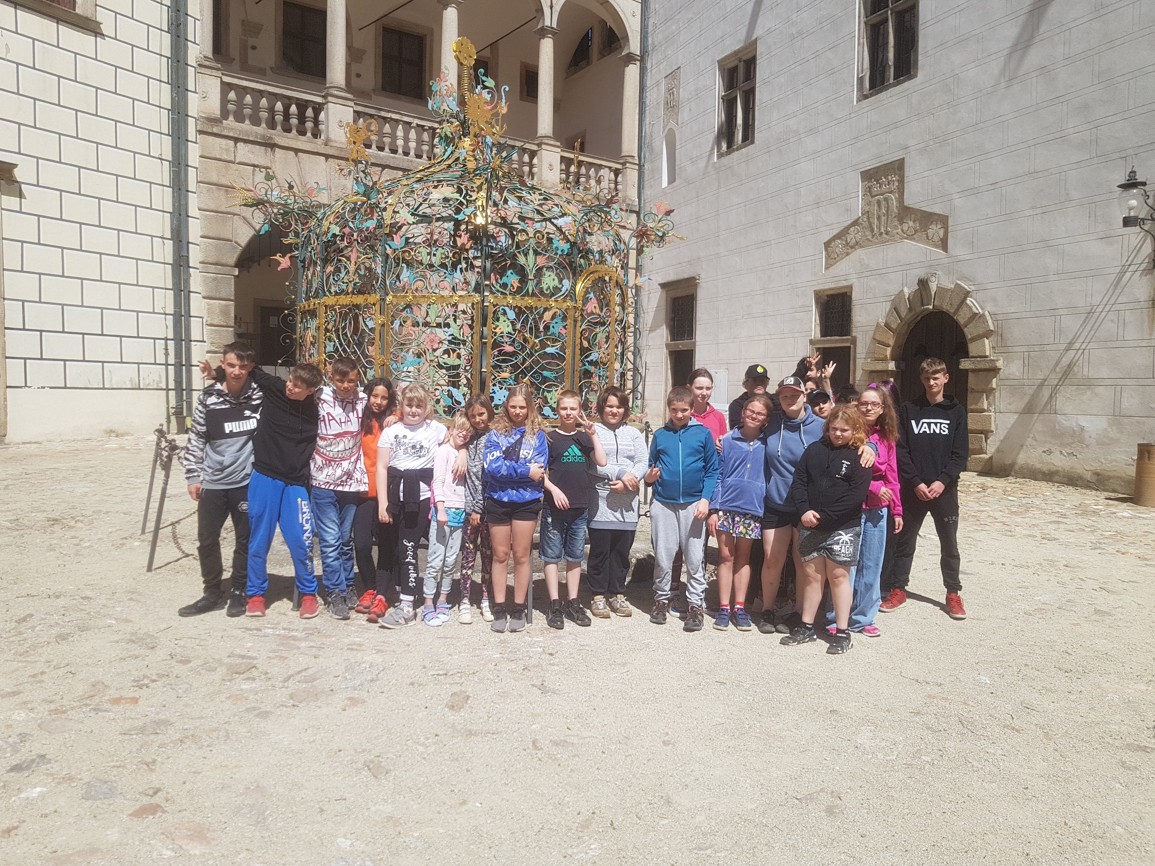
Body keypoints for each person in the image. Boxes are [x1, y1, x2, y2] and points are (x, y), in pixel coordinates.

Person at [199, 358, 324, 619]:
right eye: (291, 380)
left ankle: (308, 594)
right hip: (265, 476)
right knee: (258, 539)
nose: (290, 387)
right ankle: (255, 594)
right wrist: (216, 373)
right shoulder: (276, 388)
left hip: (295, 483)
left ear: (310, 390)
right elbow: (248, 370)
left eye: (297, 386)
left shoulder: (318, 408)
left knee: (301, 540)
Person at [180, 342, 262, 618]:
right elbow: (197, 437)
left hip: (246, 481)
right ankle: (212, 592)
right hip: (214, 481)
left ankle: (239, 590)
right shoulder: (208, 397)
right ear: (222, 365)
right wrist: (193, 475)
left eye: (243, 366)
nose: (237, 371)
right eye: (231, 365)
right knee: (206, 539)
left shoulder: (259, 395)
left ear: (251, 367)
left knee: (245, 540)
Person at [883, 357, 969, 620]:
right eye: (927, 378)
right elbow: (901, 450)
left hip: (944, 491)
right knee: (904, 542)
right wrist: (916, 482)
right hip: (914, 490)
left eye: (936, 377)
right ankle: (898, 588)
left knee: (949, 544)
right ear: (921, 379)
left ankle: (953, 593)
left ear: (945, 378)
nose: (932, 382)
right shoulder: (909, 410)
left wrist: (942, 481)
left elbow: (960, 454)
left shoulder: (956, 412)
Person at [782, 405, 872, 654]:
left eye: (844, 430)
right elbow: (799, 481)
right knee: (812, 576)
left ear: (854, 430)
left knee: (839, 577)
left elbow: (856, 495)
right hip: (810, 522)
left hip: (842, 527)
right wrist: (804, 510)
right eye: (834, 429)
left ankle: (842, 632)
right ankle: (807, 626)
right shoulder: (814, 450)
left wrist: (825, 516)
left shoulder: (859, 456)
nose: (838, 434)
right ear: (827, 428)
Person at [827, 385, 903, 637]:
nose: (869, 408)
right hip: (852, 506)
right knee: (845, 565)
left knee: (872, 565)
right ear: (857, 406)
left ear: (883, 408)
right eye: (864, 403)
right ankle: (836, 616)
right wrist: (873, 487)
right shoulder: (848, 431)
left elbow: (892, 475)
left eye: (875, 404)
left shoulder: (887, 437)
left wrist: (897, 510)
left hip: (877, 510)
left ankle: (863, 617)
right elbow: (842, 469)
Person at [644, 385, 719, 633]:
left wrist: (705, 500)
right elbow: (650, 467)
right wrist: (649, 479)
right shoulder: (660, 435)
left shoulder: (702, 434)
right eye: (674, 410)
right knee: (663, 556)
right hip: (664, 503)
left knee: (695, 557)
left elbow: (712, 470)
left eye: (684, 410)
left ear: (691, 409)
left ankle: (695, 605)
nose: (679, 415)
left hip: (693, 504)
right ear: (669, 409)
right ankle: (661, 599)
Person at [757, 375, 825, 634]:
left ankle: (798, 613)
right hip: (776, 502)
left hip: (805, 506)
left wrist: (870, 446)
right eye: (784, 395)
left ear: (804, 395)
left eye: (795, 394)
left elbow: (849, 437)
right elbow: (746, 429)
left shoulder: (821, 426)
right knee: (772, 560)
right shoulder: (772, 422)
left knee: (803, 563)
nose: (789, 399)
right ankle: (767, 609)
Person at [376, 383, 446, 629]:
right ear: (401, 406)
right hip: (396, 497)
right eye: (409, 405)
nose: (414, 410)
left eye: (419, 406)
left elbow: (456, 442)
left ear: (426, 408)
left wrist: (461, 454)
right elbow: (382, 467)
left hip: (423, 497)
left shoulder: (436, 429)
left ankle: (407, 606)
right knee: (399, 548)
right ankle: (403, 593)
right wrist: (383, 503)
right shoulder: (391, 431)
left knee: (408, 547)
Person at [483, 383, 548, 634]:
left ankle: (518, 608)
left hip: (527, 501)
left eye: (522, 407)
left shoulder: (537, 436)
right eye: (513, 406)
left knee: (521, 555)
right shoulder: (495, 434)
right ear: (506, 407)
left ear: (529, 407)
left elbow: (538, 470)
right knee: (500, 555)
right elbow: (492, 468)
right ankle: (500, 607)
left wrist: (520, 473)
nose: (517, 411)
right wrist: (524, 472)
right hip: (498, 499)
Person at [541, 390, 607, 629]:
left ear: (580, 411)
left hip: (580, 505)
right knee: (551, 556)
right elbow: (540, 472)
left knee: (575, 556)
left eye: (573, 409)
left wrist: (593, 434)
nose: (568, 413)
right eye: (564, 408)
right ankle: (555, 603)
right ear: (557, 410)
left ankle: (573, 601)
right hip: (554, 506)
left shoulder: (584, 438)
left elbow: (602, 461)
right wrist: (553, 490)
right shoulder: (548, 438)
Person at [708, 394, 772, 632]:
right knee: (726, 556)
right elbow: (717, 474)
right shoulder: (727, 441)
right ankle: (724, 607)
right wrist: (714, 508)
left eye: (760, 413)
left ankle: (740, 607)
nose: (754, 416)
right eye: (751, 411)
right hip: (726, 506)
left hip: (752, 507)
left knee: (744, 558)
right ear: (743, 412)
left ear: (766, 419)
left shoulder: (768, 444)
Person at [310, 358, 367, 620]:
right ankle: (334, 591)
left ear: (358, 379)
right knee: (330, 540)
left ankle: (348, 585)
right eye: (340, 380)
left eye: (351, 381)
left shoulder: (363, 400)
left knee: (345, 539)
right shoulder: (319, 396)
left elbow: (391, 405)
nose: (345, 386)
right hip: (323, 481)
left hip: (351, 481)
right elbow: (292, 387)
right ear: (331, 377)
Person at [587, 387, 648, 619]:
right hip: (601, 501)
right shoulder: (593, 431)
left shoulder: (633, 433)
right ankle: (598, 595)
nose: (614, 411)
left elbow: (642, 461)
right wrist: (621, 473)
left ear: (625, 410)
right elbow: (594, 464)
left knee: (621, 552)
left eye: (619, 407)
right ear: (601, 407)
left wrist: (629, 480)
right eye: (610, 406)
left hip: (628, 501)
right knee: (600, 551)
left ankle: (617, 593)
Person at [421, 413, 473, 626]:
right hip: (443, 511)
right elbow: (438, 481)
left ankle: (443, 599)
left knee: (451, 561)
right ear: (451, 430)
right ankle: (428, 602)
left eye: (468, 431)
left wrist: (463, 451)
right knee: (435, 560)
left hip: (460, 510)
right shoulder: (443, 451)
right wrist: (440, 508)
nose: (463, 433)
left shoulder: (463, 453)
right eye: (460, 428)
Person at [352, 378, 397, 622]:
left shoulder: (394, 422)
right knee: (361, 544)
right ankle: (369, 587)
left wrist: (397, 415)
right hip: (362, 493)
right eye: (374, 396)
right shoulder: (359, 419)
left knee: (387, 545)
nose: (378, 402)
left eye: (384, 397)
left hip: (387, 494)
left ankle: (382, 593)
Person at [458, 394, 495, 624]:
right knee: (468, 555)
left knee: (488, 555)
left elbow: (486, 478)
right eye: (473, 416)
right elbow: (446, 436)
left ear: (489, 412)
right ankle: (464, 599)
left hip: (487, 509)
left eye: (481, 414)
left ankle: (485, 598)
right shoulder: (467, 438)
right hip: (468, 509)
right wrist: (462, 449)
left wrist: (479, 508)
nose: (478, 419)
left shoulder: (495, 438)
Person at [688, 368, 728, 442]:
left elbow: (724, 444)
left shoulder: (719, 417)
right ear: (689, 388)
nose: (704, 393)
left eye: (708, 388)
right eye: (699, 388)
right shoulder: (682, 415)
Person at [727, 363, 770, 430]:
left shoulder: (774, 401)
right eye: (754, 380)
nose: (759, 383)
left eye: (762, 380)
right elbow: (737, 430)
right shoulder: (737, 405)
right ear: (746, 383)